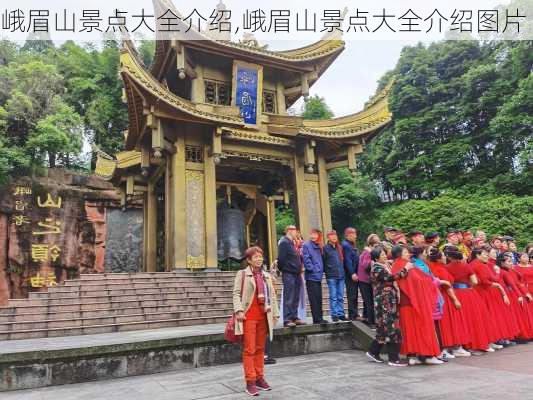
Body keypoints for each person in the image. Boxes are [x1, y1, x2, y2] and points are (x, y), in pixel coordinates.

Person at [233, 246, 280, 396]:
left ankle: (259, 378)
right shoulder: (242, 274)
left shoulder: (266, 276)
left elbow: (272, 296)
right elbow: (235, 294)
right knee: (249, 349)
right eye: (255, 257)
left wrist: (275, 314)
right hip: (248, 317)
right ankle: (250, 381)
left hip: (263, 316)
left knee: (260, 348)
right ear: (248, 260)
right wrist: (239, 310)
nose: (259, 259)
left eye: (260, 256)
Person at [391, 245, 442, 365]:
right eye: (405, 252)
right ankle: (427, 355)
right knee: (421, 327)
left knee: (409, 330)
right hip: (414, 302)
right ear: (399, 254)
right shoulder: (406, 265)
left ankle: (412, 355)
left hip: (406, 303)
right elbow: (418, 281)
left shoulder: (397, 266)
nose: (408, 254)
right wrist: (433, 281)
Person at [366, 246, 411, 367]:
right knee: (392, 328)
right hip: (384, 302)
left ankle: (373, 352)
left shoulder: (384, 265)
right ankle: (393, 358)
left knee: (383, 329)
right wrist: (405, 269)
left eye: (385, 254)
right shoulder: (376, 268)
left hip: (388, 300)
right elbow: (391, 277)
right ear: (376, 257)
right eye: (382, 255)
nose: (385, 256)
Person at [444, 246, 493, 353]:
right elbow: (475, 281)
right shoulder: (466, 266)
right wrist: (468, 286)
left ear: (449, 257)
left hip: (455, 293)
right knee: (474, 318)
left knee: (461, 320)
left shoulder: (446, 267)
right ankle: (479, 343)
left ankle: (464, 345)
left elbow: (448, 282)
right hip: (469, 293)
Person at [427, 247, 470, 358]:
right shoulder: (440, 269)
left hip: (440, 296)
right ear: (438, 259)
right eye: (443, 256)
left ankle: (448, 348)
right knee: (450, 322)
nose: (445, 257)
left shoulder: (433, 267)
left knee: (446, 323)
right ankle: (452, 347)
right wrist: (455, 299)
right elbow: (448, 286)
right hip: (446, 297)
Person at [468, 247, 510, 348]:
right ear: (478, 255)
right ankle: (489, 341)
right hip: (483, 293)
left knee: (485, 318)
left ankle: (489, 341)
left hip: (479, 292)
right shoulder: (480, 265)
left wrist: (496, 274)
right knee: (487, 317)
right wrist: (498, 276)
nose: (487, 256)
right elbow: (486, 281)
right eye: (485, 254)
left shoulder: (477, 264)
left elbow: (490, 279)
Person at [277, 225, 305, 327]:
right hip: (288, 273)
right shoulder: (284, 242)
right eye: (295, 231)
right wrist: (283, 269)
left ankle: (294, 316)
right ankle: (287, 319)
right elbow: (281, 259)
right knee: (289, 296)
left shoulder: (292, 243)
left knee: (296, 296)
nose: (296, 233)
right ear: (289, 231)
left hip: (296, 273)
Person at [302, 229, 328, 324]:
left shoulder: (319, 245)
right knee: (314, 299)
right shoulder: (306, 245)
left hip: (318, 276)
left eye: (316, 234)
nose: (313, 235)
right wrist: (312, 269)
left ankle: (320, 318)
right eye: (312, 233)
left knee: (319, 298)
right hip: (311, 276)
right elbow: (306, 258)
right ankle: (317, 319)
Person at [358, 234, 380, 327]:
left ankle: (366, 317)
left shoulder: (370, 252)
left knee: (368, 300)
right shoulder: (367, 253)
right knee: (369, 301)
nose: (378, 245)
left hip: (369, 280)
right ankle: (371, 322)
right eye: (376, 243)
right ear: (371, 244)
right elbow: (366, 266)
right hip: (364, 280)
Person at [324, 230, 346, 322]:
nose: (334, 237)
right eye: (332, 236)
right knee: (333, 296)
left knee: (340, 296)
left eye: (335, 235)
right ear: (328, 237)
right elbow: (323, 261)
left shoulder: (339, 247)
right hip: (331, 275)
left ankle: (341, 313)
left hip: (341, 274)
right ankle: (334, 314)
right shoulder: (325, 248)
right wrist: (327, 270)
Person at [342, 227, 360, 321]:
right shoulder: (346, 245)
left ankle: (355, 313)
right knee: (352, 294)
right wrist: (352, 273)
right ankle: (352, 314)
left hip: (355, 273)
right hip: (350, 275)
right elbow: (347, 260)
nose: (355, 236)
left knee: (355, 294)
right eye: (354, 234)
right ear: (348, 235)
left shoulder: (351, 244)